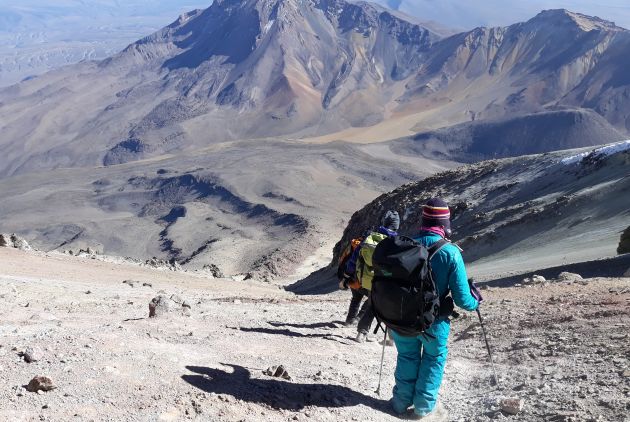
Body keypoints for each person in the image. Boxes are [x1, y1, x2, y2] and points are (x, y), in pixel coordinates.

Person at [389, 198, 479, 420]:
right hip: (434, 322)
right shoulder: (450, 252)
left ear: (424, 219)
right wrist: (476, 301)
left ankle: (399, 404)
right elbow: (462, 299)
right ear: (444, 222)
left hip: (402, 318)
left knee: (407, 357)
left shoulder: (405, 244)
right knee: (433, 360)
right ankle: (423, 409)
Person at [340, 210, 400, 343]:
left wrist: (347, 275)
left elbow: (354, 259)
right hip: (384, 282)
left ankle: (359, 331)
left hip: (364, 280)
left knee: (372, 304)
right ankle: (391, 339)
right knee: (386, 307)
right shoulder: (396, 243)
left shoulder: (369, 238)